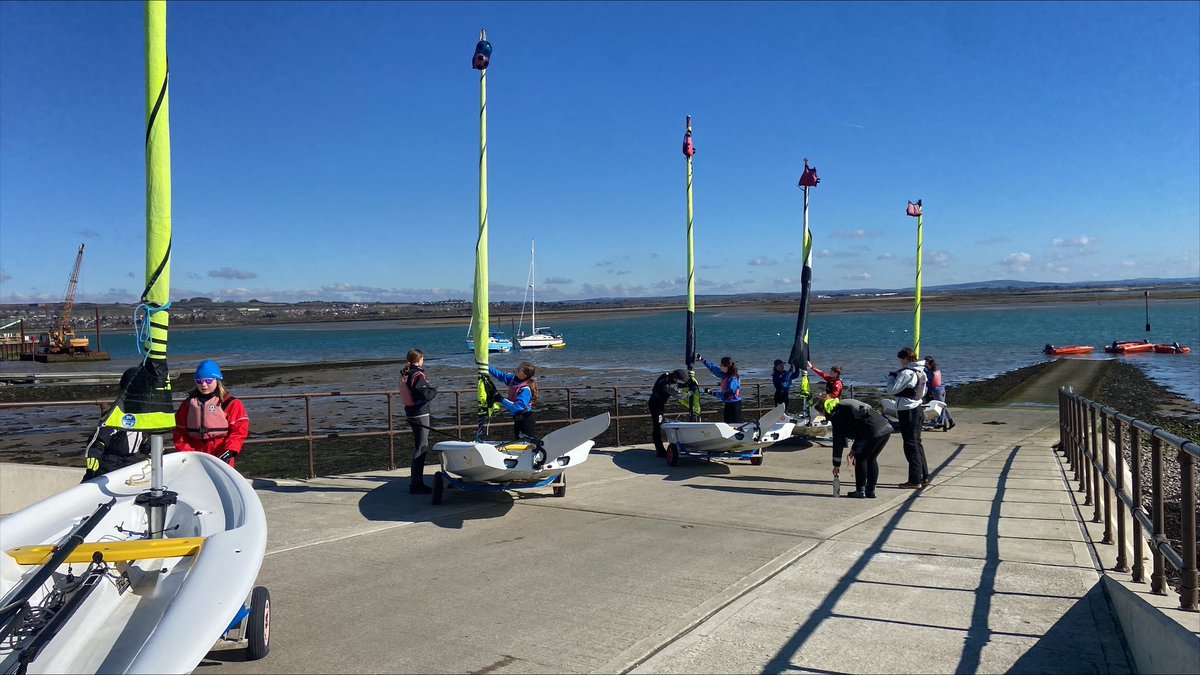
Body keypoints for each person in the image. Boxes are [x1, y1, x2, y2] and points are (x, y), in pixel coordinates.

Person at [173, 359, 249, 466]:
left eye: (208, 381)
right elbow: (179, 432)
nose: (204, 385)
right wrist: (187, 452)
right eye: (199, 381)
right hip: (195, 455)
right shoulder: (188, 404)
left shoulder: (230, 403)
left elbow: (239, 430)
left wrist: (230, 451)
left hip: (221, 453)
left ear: (217, 380)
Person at [81, 366, 150, 482]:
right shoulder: (117, 412)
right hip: (110, 462)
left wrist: (152, 448)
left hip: (130, 461)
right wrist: (93, 455)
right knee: (93, 483)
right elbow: (100, 437)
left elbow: (143, 436)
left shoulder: (141, 412)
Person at [817, 394, 893, 498]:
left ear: (824, 409)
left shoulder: (837, 414)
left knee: (861, 459)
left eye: (821, 413)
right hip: (885, 427)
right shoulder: (843, 405)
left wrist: (836, 465)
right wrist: (854, 449)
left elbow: (838, 442)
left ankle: (860, 491)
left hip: (872, 431)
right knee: (871, 459)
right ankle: (870, 490)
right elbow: (859, 426)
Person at [886, 347, 929, 489]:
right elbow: (924, 391)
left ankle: (915, 479)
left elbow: (891, 390)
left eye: (901, 360)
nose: (900, 363)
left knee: (910, 444)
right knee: (917, 443)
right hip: (917, 408)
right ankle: (924, 476)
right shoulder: (921, 371)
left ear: (905, 359)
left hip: (908, 411)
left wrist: (891, 377)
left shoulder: (907, 373)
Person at [400, 348, 438, 494]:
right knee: (421, 447)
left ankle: (416, 482)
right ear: (419, 359)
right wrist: (434, 391)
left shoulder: (406, 372)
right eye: (423, 358)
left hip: (411, 413)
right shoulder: (417, 374)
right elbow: (423, 393)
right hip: (419, 414)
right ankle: (416, 484)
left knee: (419, 445)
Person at [488, 361, 538, 439]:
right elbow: (500, 375)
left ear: (524, 375)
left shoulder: (525, 390)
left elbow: (517, 407)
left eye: (519, 370)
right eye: (518, 367)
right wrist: (485, 367)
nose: (516, 369)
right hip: (517, 419)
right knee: (518, 441)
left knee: (526, 444)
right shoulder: (513, 379)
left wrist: (500, 399)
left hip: (525, 420)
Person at [648, 368, 691, 457]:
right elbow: (679, 395)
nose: (681, 382)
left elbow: (675, 385)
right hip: (656, 404)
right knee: (657, 427)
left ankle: (659, 449)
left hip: (656, 402)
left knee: (658, 426)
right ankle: (660, 450)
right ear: (676, 377)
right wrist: (690, 392)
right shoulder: (667, 385)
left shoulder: (666, 376)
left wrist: (684, 385)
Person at [695, 354, 743, 423]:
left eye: (722, 365)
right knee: (727, 424)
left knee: (736, 425)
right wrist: (703, 360)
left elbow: (726, 394)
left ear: (727, 367)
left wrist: (712, 392)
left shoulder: (733, 379)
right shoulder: (725, 375)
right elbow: (714, 369)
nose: (720, 366)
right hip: (728, 404)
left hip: (735, 405)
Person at [924, 356, 955, 431]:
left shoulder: (930, 372)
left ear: (928, 362)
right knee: (942, 406)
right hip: (941, 388)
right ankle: (943, 421)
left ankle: (949, 421)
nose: (924, 362)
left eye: (925, 361)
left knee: (942, 406)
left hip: (936, 391)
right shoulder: (935, 369)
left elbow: (928, 381)